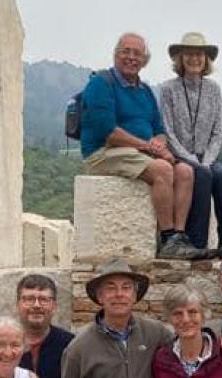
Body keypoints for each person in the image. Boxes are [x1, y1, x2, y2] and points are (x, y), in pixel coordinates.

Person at [79, 33, 199, 259]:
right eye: (126, 51)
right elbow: (109, 132)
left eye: (137, 54)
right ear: (115, 55)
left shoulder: (145, 91)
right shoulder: (101, 84)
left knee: (185, 171)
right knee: (163, 169)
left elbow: (159, 130)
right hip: (104, 152)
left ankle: (179, 237)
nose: (131, 58)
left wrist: (160, 144)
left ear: (145, 60)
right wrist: (148, 147)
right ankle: (167, 236)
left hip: (140, 152)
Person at [160, 31, 222, 254]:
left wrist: (207, 159)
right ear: (180, 58)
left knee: (221, 176)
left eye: (199, 54)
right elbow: (168, 131)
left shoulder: (213, 89)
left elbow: (217, 132)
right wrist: (192, 160)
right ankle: (196, 243)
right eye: (189, 54)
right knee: (203, 174)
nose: (194, 59)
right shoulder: (168, 89)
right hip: (179, 156)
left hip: (207, 155)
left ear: (206, 59)